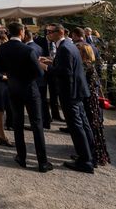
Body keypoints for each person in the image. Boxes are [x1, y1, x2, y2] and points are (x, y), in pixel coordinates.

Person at [0, 22, 52, 173]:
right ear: (21, 32)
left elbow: (0, 68)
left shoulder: (2, 48)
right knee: (36, 124)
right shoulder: (28, 50)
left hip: (13, 88)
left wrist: (13, 74)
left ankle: (21, 157)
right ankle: (42, 162)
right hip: (30, 89)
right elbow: (39, 73)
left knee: (17, 122)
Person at [42, 23, 95, 174]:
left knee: (76, 126)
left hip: (70, 92)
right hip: (78, 91)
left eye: (50, 31)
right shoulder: (69, 45)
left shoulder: (65, 47)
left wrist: (46, 67)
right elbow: (68, 66)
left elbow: (65, 72)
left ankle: (85, 161)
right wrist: (51, 61)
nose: (48, 33)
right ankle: (88, 155)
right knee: (83, 124)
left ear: (59, 32)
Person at [77, 42, 111, 166]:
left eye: (78, 51)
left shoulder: (85, 66)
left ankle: (92, 154)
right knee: (93, 126)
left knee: (90, 126)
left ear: (84, 54)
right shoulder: (89, 65)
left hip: (88, 101)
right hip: (92, 100)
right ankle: (94, 153)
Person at [24, 29, 51, 129]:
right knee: (43, 102)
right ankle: (46, 121)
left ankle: (37, 124)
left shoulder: (27, 48)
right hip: (42, 78)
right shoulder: (38, 46)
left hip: (34, 79)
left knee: (35, 104)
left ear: (26, 36)